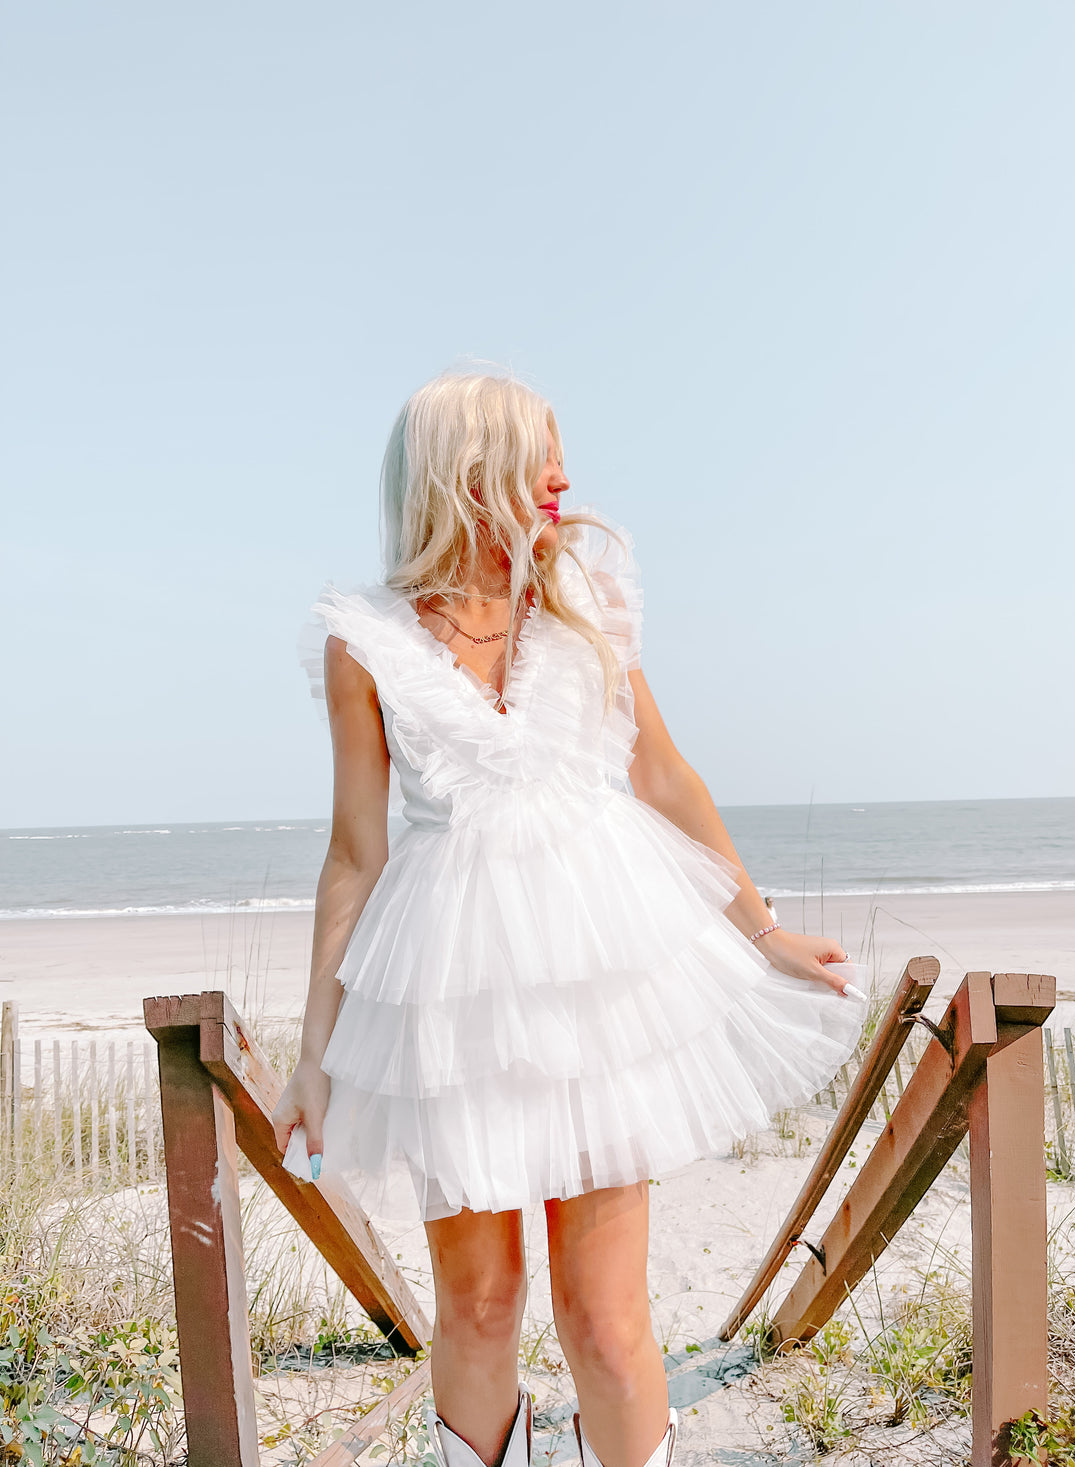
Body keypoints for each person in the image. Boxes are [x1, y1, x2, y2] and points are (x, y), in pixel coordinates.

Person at [273, 370, 866, 1467]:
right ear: (465, 468)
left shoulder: (586, 599)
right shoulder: (364, 643)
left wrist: (762, 929)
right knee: (482, 1302)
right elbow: (354, 855)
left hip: (601, 976)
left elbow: (664, 776)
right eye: (536, 453)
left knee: (601, 1315)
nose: (561, 477)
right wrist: (315, 1053)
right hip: (453, 999)